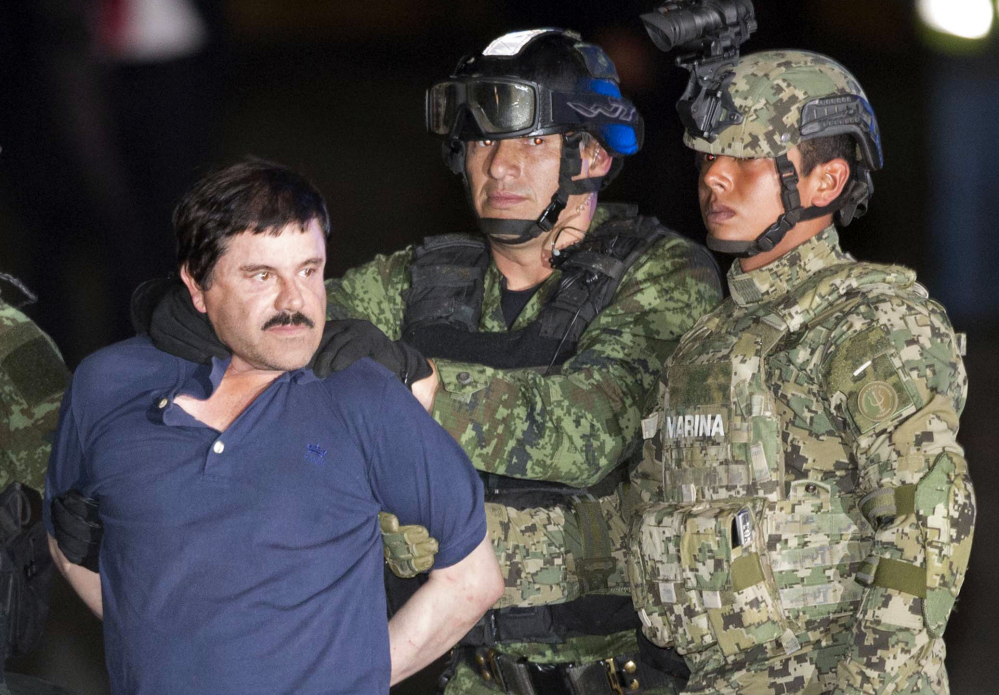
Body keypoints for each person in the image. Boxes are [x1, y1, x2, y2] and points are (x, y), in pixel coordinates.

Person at [86, 27, 721, 695]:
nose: (498, 166)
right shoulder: (420, 279)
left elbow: (591, 426)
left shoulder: (661, 274)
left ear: (590, 155)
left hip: (616, 673)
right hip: (462, 670)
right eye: (480, 141)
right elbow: (248, 318)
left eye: (531, 142)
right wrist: (200, 305)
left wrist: (410, 376)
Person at [510, 49, 975, 694]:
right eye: (708, 156)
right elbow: (637, 529)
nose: (715, 179)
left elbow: (927, 521)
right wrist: (455, 542)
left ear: (826, 181)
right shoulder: (707, 344)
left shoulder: (866, 322)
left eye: (746, 158)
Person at [43, 160, 504, 695]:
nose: (294, 301)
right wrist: (158, 639)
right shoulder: (106, 385)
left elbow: (472, 579)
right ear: (198, 284)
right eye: (262, 275)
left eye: (309, 270)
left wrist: (352, 678)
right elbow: (65, 538)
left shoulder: (362, 395)